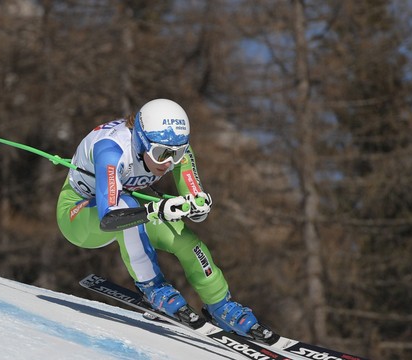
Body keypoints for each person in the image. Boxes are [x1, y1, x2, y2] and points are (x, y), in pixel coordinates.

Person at [56, 98, 260, 337]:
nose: (169, 162)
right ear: (142, 142)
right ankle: (152, 288)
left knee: (185, 240)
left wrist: (198, 207)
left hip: (128, 210)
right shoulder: (111, 150)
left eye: (178, 153)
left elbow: (194, 198)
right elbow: (110, 217)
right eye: (161, 154)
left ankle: (220, 305)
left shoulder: (173, 147)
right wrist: (157, 211)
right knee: (127, 203)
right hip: (78, 216)